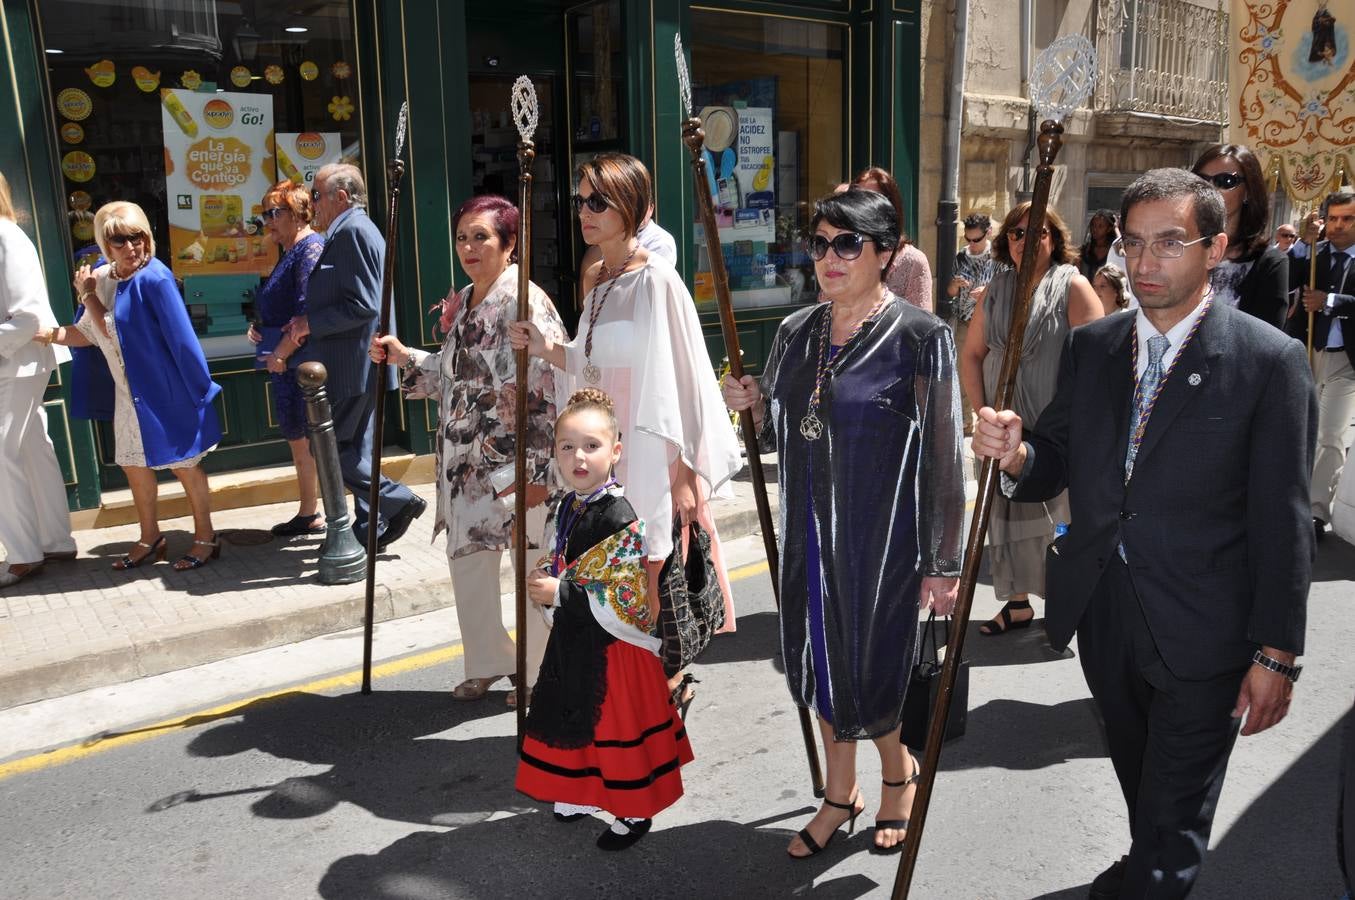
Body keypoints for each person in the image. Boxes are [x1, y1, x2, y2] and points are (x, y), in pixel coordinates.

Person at [973, 167, 1314, 898]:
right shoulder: (1093, 348)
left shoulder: (1266, 361)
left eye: (1169, 243)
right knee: (1140, 779)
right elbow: (1054, 455)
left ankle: (1152, 874)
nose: (1146, 262)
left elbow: (1281, 517)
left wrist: (1277, 653)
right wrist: (1016, 453)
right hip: (1104, 613)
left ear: (1214, 248)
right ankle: (1146, 854)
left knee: (1174, 821)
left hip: (1207, 630)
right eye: (1132, 243)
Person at [721, 187, 964, 856]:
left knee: (870, 672)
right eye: (820, 243)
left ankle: (897, 775)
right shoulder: (794, 333)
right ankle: (839, 791)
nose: (829, 257)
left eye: (846, 243)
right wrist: (747, 404)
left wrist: (944, 563)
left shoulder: (922, 337)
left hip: (884, 543)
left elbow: (945, 454)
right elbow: (772, 440)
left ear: (884, 254)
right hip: (808, 537)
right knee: (822, 670)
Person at [509, 152, 743, 713]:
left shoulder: (656, 280)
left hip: (647, 453)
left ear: (631, 207)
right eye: (580, 200)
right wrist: (545, 349)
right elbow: (593, 366)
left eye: (598, 201)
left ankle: (652, 698)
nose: (584, 212)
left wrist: (684, 472)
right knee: (604, 573)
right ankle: (626, 701)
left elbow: (683, 379)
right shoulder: (601, 283)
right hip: (606, 453)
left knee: (643, 575)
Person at [370, 194, 565, 704]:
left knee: (532, 568)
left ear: (510, 243)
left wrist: (541, 470)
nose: (469, 247)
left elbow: (547, 388)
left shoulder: (524, 300)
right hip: (466, 464)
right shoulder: (470, 297)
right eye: (462, 237)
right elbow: (457, 376)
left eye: (481, 237)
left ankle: (537, 669)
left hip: (518, 464)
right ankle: (488, 659)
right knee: (469, 567)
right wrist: (404, 357)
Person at [515, 388, 693, 851]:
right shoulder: (572, 503)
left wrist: (562, 592)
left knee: (615, 726)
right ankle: (576, 791)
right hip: (576, 639)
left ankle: (633, 810)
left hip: (614, 648)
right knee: (574, 715)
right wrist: (550, 574)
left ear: (615, 451)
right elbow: (571, 561)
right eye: (567, 446)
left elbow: (627, 595)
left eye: (591, 446)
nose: (579, 457)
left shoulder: (619, 514)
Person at [37, 202, 223, 570]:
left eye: (136, 236)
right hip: (130, 397)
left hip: (166, 391)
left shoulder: (155, 278)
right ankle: (150, 537)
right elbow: (87, 334)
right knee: (134, 468)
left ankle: (206, 537)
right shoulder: (105, 278)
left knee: (184, 466)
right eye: (118, 240)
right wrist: (43, 334)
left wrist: (201, 392)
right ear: (105, 246)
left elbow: (152, 336)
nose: (130, 247)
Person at [959, 202, 1102, 635]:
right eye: (1017, 234)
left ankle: (1072, 605)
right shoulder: (998, 287)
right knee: (1003, 513)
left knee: (1057, 518)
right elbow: (970, 354)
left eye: (1036, 232)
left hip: (1052, 431)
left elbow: (1100, 362)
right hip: (1002, 423)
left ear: (1054, 239)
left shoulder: (1072, 285)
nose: (1025, 241)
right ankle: (1018, 605)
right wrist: (981, 413)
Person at [286, 163, 424, 550]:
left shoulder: (354, 232)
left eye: (316, 195)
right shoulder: (346, 232)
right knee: (353, 449)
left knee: (328, 449)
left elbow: (364, 304)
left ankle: (396, 500)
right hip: (355, 363)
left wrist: (311, 322)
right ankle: (373, 526)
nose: (311, 203)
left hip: (353, 364)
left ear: (341, 197)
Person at [0, 170, 76, 586]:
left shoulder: (6, 236)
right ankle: (54, 540)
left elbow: (27, 315)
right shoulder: (9, 235)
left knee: (3, 455)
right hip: (21, 361)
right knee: (31, 449)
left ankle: (23, 554)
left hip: (14, 362)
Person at [246, 179, 324, 536]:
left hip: (301, 363)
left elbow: (309, 314)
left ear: (296, 212)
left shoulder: (309, 249)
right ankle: (309, 512)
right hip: (288, 361)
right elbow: (283, 309)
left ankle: (321, 513)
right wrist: (260, 328)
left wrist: (281, 352)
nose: (267, 222)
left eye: (273, 213)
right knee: (301, 443)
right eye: (265, 215)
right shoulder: (290, 251)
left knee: (310, 443)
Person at [1287, 189, 1355, 542]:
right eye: (1332, 218)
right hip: (1308, 352)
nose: (1338, 226)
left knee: (1330, 434)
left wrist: (1329, 301)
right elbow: (1286, 273)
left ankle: (1315, 511)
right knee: (1301, 430)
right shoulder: (1314, 251)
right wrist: (1303, 240)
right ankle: (1290, 499)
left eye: (1347, 219)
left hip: (1346, 360)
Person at [1190, 143, 1289, 329]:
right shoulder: (1180, 248)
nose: (1211, 189)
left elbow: (1267, 339)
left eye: (1226, 181)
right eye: (1201, 180)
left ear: (1248, 192)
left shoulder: (1270, 263)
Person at [847, 167, 933, 312]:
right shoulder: (840, 252)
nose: (864, 207)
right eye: (858, 199)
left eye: (874, 199)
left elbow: (922, 328)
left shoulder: (912, 261)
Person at [946, 212, 998, 433]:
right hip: (965, 321)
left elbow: (1007, 290)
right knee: (964, 369)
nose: (972, 244)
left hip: (991, 321)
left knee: (990, 370)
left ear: (988, 233)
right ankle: (966, 420)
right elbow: (949, 293)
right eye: (968, 239)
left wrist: (987, 292)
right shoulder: (961, 256)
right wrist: (955, 286)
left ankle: (988, 417)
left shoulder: (997, 257)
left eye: (976, 239)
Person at [1079, 209, 1118, 280]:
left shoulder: (1114, 251)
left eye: (1100, 226)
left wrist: (1117, 229)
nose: (1095, 229)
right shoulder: (1084, 250)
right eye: (1093, 225)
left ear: (1109, 229)